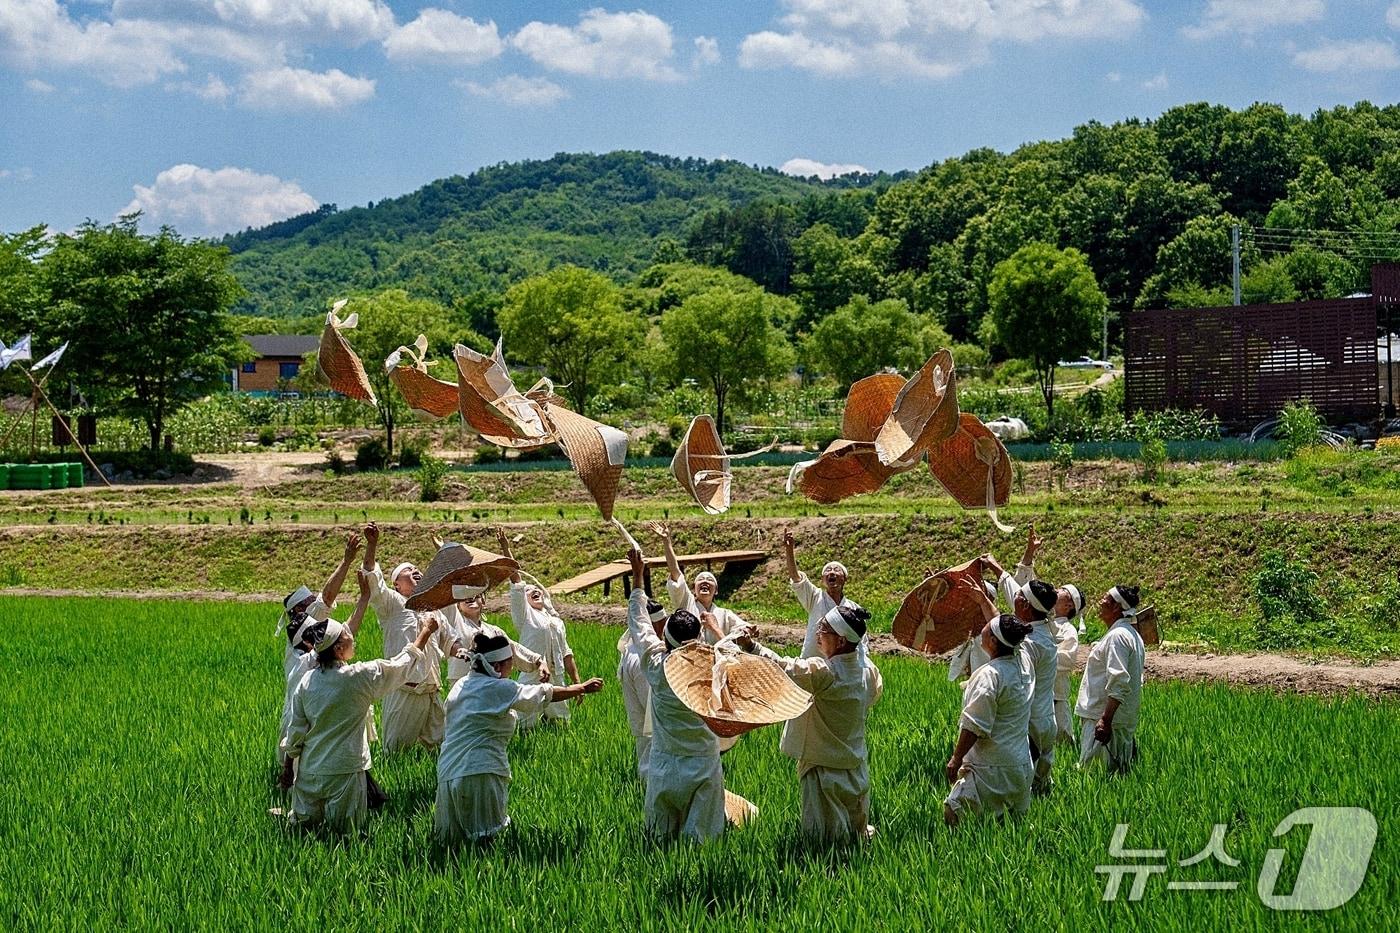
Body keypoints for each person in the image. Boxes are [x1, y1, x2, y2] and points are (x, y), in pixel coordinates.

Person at [284, 586, 441, 833]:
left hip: (310, 770)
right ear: (338, 649)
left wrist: (287, 768)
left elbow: (295, 731)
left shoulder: (307, 680)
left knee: (303, 829)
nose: (352, 636)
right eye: (346, 635)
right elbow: (401, 665)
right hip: (345, 770)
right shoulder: (359, 677)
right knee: (345, 833)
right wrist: (425, 633)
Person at [436, 631, 603, 845]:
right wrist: (580, 688)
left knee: (452, 845)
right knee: (487, 838)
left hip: (448, 773)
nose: (512, 668)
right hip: (480, 772)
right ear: (496, 667)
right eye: (509, 664)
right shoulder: (498, 687)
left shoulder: (460, 686)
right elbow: (541, 694)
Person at [738, 605, 883, 843]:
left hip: (823, 767)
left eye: (824, 629)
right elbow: (873, 693)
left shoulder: (825, 673)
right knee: (856, 830)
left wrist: (752, 646)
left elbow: (784, 667)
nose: (818, 633)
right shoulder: (867, 671)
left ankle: (831, 871)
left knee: (824, 838)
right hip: (855, 763)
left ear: (840, 641)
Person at [624, 547, 726, 842]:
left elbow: (639, 623)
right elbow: (735, 656)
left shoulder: (657, 665)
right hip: (704, 759)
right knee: (702, 838)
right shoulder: (714, 664)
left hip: (666, 759)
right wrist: (720, 634)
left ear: (664, 636)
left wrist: (638, 578)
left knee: (661, 833)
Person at [944, 584, 1035, 827]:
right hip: (1019, 764)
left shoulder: (990, 675)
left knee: (955, 814)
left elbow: (975, 724)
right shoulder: (1023, 660)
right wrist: (983, 600)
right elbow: (1001, 625)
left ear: (992, 641)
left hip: (991, 765)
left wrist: (956, 758)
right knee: (1008, 826)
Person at [360, 522, 453, 753]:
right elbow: (373, 580)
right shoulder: (392, 604)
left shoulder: (432, 608)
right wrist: (372, 545)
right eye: (409, 570)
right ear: (397, 584)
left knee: (443, 747)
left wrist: (460, 649)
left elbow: (450, 639)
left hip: (431, 689)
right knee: (396, 751)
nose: (416, 571)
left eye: (418, 569)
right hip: (405, 689)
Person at [277, 531, 361, 787]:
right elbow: (328, 597)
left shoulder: (305, 635)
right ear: (299, 610)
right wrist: (346, 561)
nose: (317, 604)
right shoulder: (303, 637)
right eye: (310, 602)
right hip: (301, 719)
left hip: (308, 717)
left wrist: (364, 599)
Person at [497, 529, 584, 728]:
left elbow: (567, 653)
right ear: (524, 601)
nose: (534, 591)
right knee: (525, 722)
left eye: (536, 590)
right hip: (533, 672)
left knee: (560, 721)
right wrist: (506, 549)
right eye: (529, 592)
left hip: (556, 674)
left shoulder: (555, 620)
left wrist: (577, 684)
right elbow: (517, 582)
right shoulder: (525, 616)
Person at [1075, 585, 1145, 774]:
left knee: (1096, 776)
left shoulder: (1117, 637)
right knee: (1116, 774)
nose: (1100, 602)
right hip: (1117, 718)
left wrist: (1105, 720)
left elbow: (1119, 679)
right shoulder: (1130, 635)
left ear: (1116, 607)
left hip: (1105, 717)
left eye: (1106, 598)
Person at [649, 522, 742, 644]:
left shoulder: (725, 614)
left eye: (709, 580)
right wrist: (667, 541)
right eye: (701, 579)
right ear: (694, 589)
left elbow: (741, 628)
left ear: (717, 590)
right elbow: (675, 571)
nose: (705, 581)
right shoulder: (686, 602)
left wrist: (749, 629)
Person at [782, 529, 863, 660]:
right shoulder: (815, 597)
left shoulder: (852, 608)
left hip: (839, 666)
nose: (831, 572)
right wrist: (789, 549)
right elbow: (796, 578)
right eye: (828, 570)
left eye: (837, 570)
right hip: (812, 663)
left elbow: (861, 642)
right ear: (823, 580)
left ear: (845, 579)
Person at [442, 590, 546, 690]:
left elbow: (512, 649)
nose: (471, 599)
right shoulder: (455, 623)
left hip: (492, 684)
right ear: (457, 604)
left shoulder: (494, 631)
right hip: (463, 686)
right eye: (465, 597)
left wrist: (538, 661)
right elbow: (445, 604)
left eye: (476, 595)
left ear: (483, 600)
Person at [617, 597, 667, 785]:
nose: (662, 630)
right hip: (650, 724)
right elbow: (652, 703)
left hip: (639, 724)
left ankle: (645, 786)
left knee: (644, 749)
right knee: (652, 751)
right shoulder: (644, 660)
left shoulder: (631, 648)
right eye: (660, 624)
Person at [1051, 584, 1085, 746]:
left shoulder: (1068, 630)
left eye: (1062, 589)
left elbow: (1067, 659)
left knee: (1061, 736)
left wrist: (1042, 657)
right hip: (1041, 691)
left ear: (1069, 604)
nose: (1057, 589)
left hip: (1055, 694)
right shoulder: (1046, 622)